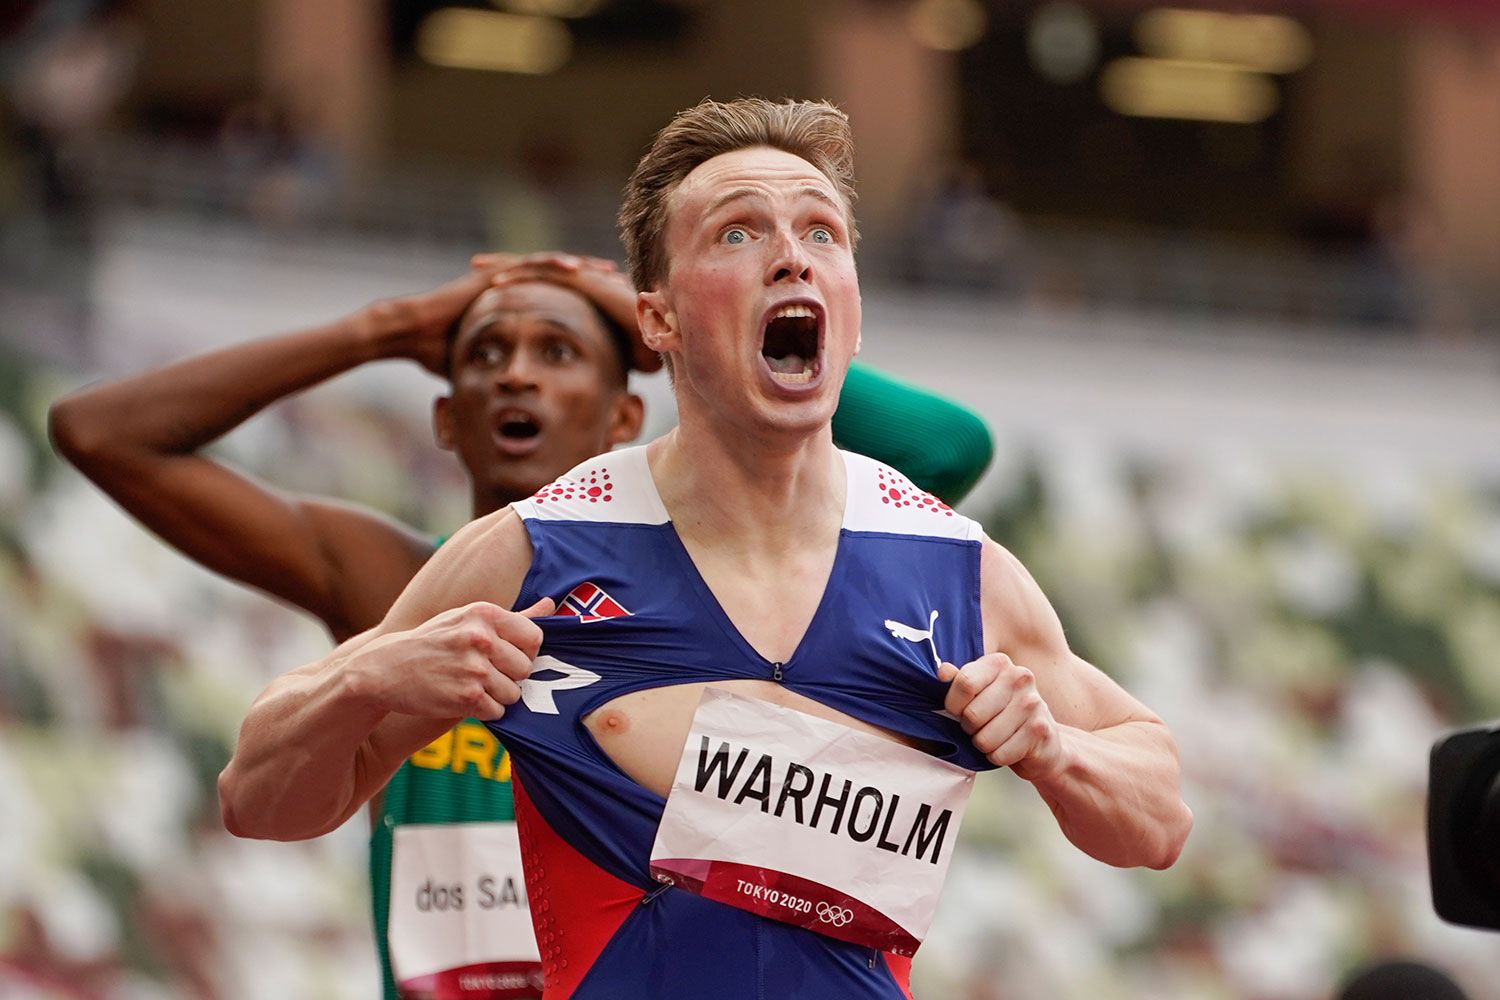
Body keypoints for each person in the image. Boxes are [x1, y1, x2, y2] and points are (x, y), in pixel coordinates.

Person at [217, 97, 1191, 999]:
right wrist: (369, 680)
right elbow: (260, 800)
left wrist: (1057, 751)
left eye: (822, 232)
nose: (791, 256)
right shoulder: (531, 553)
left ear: (853, 310)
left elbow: (1157, 820)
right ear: (657, 318)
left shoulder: (960, 570)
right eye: (739, 231)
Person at [49, 247, 995, 998]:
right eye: (485, 356)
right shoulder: (393, 584)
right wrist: (381, 330)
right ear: (447, 420)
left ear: (625, 414)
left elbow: (948, 449)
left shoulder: (715, 604)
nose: (516, 377)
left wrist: (665, 312)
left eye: (557, 353)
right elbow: (101, 434)